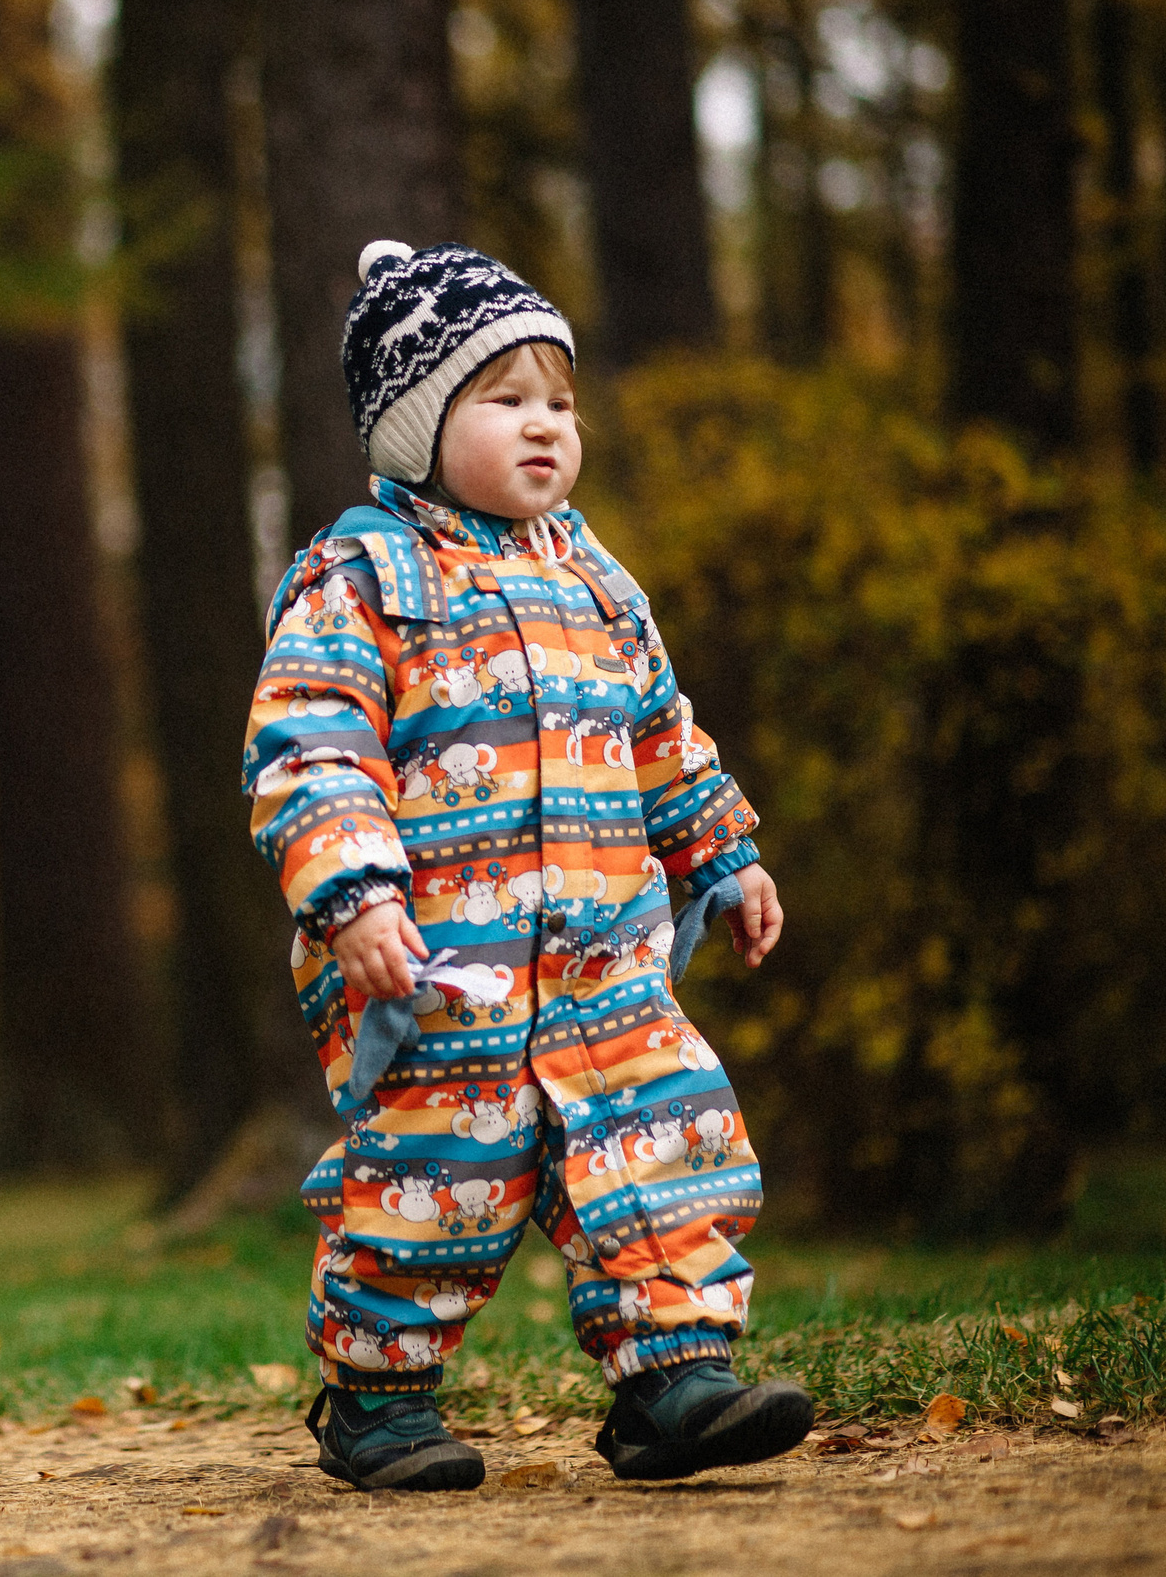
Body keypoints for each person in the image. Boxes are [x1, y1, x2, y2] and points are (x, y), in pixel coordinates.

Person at [242, 240, 812, 1492]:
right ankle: (376, 1400)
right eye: (501, 400)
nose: (543, 426)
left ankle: (672, 1383)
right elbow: (310, 746)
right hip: (443, 975)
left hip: (607, 963)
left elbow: (662, 733)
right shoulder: (363, 576)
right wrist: (353, 897)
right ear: (412, 427)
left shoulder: (597, 581)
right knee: (429, 1185)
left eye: (558, 400)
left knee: (664, 1145)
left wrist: (721, 853)